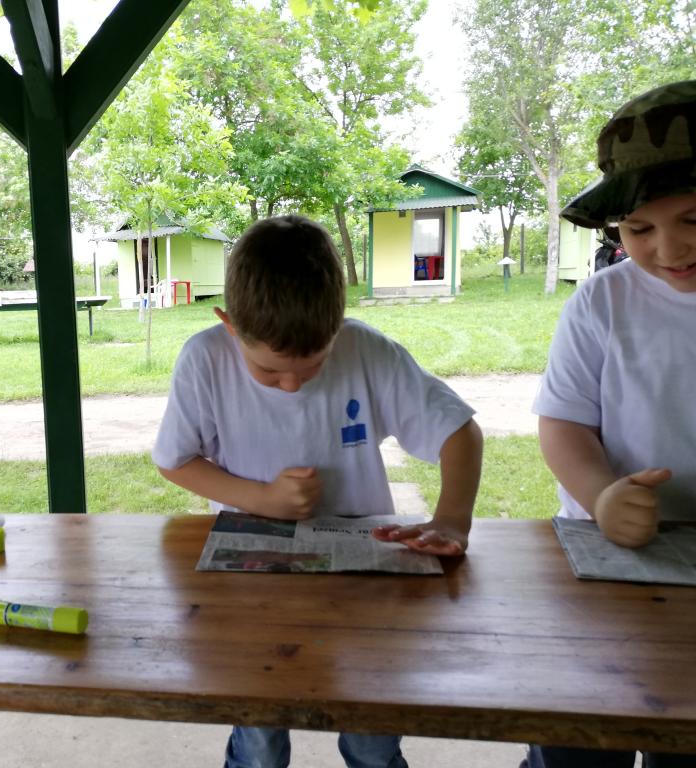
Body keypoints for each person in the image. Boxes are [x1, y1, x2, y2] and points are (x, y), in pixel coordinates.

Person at [152, 213, 483, 768]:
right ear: (229, 325)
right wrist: (263, 500)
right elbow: (175, 460)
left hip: (362, 580)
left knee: (373, 739)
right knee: (259, 744)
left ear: (338, 327)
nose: (291, 385)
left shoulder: (367, 350)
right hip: (251, 582)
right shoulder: (204, 360)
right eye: (268, 371)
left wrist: (452, 519)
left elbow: (459, 433)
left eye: (313, 367)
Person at [526, 80, 696, 768]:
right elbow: (563, 424)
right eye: (639, 229)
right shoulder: (601, 302)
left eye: (693, 218)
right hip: (606, 553)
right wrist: (601, 496)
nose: (668, 247)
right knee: (580, 738)